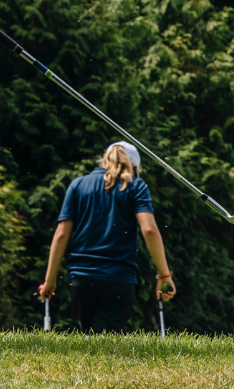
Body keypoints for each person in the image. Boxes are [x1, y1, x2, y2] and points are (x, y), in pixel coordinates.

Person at [37, 142, 177, 332]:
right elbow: (149, 230)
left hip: (80, 278)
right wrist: (164, 275)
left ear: (104, 159)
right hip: (119, 278)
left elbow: (62, 234)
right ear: (134, 166)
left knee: (91, 335)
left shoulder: (78, 185)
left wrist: (49, 281)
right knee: (103, 340)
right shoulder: (136, 186)